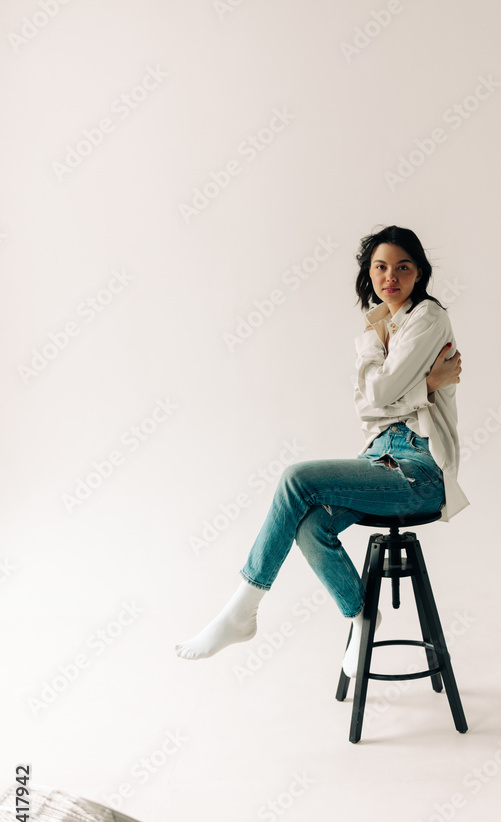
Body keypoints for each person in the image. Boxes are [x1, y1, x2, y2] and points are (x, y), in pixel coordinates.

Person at [175, 225, 469, 675]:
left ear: (419, 273)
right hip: (379, 457)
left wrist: (396, 382)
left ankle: (240, 610)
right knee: (312, 526)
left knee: (297, 479)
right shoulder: (380, 326)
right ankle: (361, 617)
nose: (390, 277)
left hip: (419, 471)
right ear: (369, 273)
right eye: (381, 267)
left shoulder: (427, 317)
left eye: (403, 267)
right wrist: (424, 386)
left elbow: (380, 392)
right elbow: (367, 408)